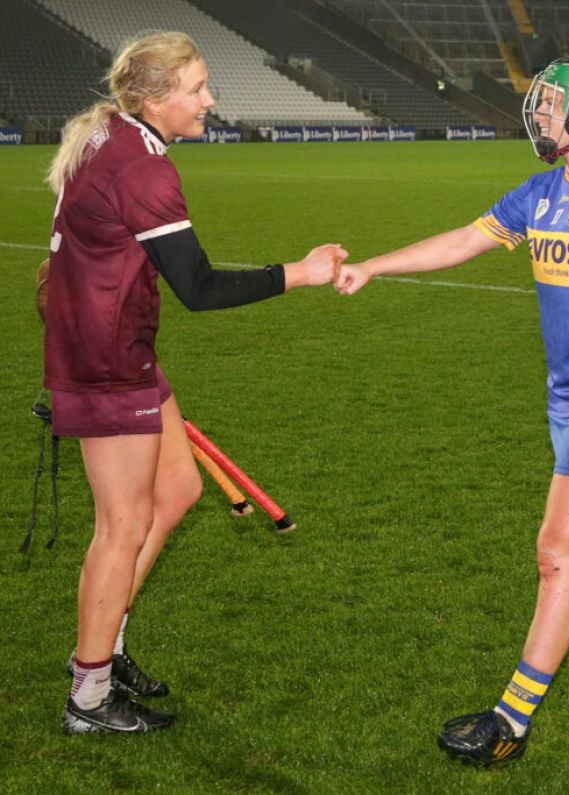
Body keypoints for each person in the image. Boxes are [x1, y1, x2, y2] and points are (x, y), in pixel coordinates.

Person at [335, 56, 569, 766]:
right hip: (568, 391)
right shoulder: (544, 190)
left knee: (559, 552)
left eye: (553, 105)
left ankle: (510, 720)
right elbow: (464, 240)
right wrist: (374, 264)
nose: (539, 114)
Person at [44, 31, 347, 734]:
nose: (210, 100)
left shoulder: (111, 138)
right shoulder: (142, 168)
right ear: (154, 99)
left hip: (115, 345)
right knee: (121, 525)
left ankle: (104, 647)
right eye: (197, 88)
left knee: (176, 491)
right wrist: (298, 273)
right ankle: (87, 698)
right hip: (107, 359)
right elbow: (200, 288)